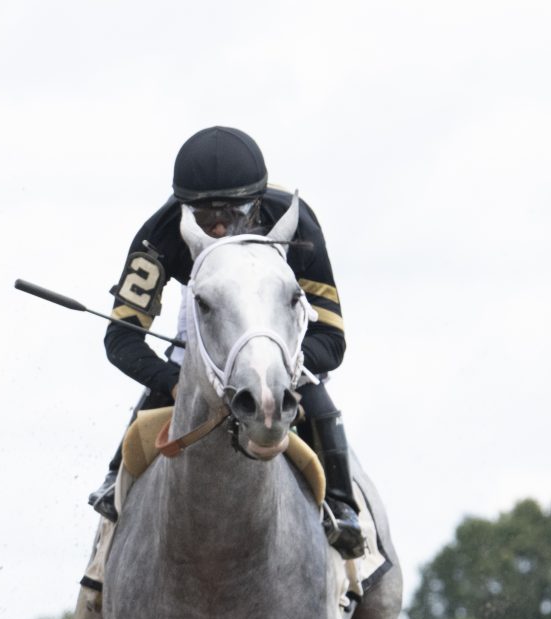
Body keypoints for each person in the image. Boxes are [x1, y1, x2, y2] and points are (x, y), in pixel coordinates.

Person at [90, 126, 364, 558]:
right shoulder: (158, 237)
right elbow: (121, 336)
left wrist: (281, 362)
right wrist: (174, 381)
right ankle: (112, 500)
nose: (218, 227)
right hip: (208, 333)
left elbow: (331, 336)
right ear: (183, 210)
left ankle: (343, 509)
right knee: (154, 399)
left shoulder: (298, 225)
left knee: (320, 404)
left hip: (278, 342)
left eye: (233, 213)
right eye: (203, 217)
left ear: (256, 205)